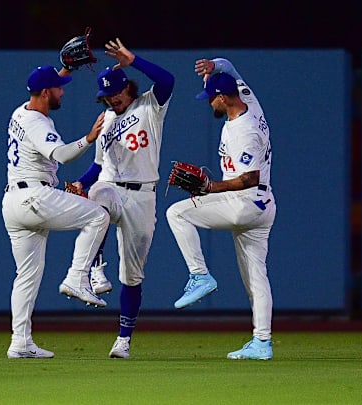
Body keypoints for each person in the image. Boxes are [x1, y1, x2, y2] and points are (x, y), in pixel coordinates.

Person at [66, 38, 175, 359]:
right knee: (97, 198)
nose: (110, 100)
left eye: (114, 93)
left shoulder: (149, 105)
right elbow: (99, 167)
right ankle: (93, 270)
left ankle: (123, 339)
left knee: (132, 275)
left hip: (143, 197)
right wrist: (80, 184)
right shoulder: (107, 121)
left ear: (127, 88)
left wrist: (134, 60)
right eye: (105, 96)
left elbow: (168, 80)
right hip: (112, 187)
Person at [165, 58, 276, 360]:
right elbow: (229, 67)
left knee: (176, 213)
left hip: (245, 202)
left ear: (224, 98)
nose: (208, 103)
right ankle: (262, 342)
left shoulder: (244, 130)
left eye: (210, 98)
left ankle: (199, 275)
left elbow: (248, 178)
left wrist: (212, 188)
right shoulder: (249, 100)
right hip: (264, 206)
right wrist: (213, 66)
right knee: (256, 277)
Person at [2, 65, 110, 359]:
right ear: (47, 93)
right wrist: (89, 138)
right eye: (59, 87)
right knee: (98, 215)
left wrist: (61, 68)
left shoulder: (20, 111)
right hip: (35, 197)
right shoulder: (37, 122)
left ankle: (20, 342)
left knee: (26, 276)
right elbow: (61, 154)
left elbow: (44, 81)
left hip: (13, 201)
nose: (63, 91)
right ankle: (77, 277)